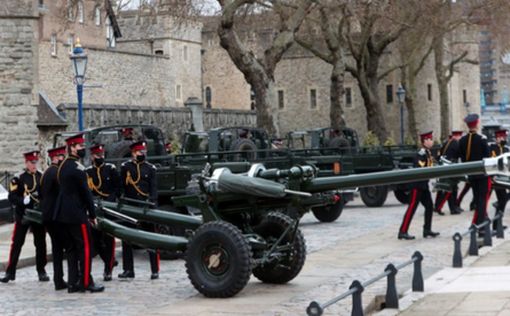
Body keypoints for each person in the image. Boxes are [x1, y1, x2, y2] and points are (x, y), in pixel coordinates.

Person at [54, 133, 104, 293]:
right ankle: (85, 282)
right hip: (76, 214)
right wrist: (92, 215)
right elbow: (86, 194)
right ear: (72, 148)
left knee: (72, 250)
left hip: (63, 214)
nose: (83, 149)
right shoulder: (78, 168)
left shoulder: (63, 166)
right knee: (85, 248)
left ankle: (72, 283)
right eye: (80, 147)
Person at [0, 151, 49, 283]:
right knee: (17, 243)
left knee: (40, 244)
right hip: (23, 215)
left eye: (35, 162)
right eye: (31, 163)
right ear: (26, 163)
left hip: (37, 216)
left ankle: (41, 270)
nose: (34, 165)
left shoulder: (41, 176)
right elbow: (12, 197)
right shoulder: (19, 178)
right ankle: (10, 272)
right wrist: (23, 201)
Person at [118, 141, 160, 280]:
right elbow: (122, 187)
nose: (143, 154)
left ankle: (155, 269)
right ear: (133, 153)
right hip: (131, 206)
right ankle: (128, 269)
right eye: (140, 152)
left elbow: (153, 189)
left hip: (145, 207)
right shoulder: (126, 167)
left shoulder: (150, 168)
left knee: (151, 239)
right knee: (127, 238)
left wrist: (152, 204)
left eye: (144, 152)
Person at [86, 144, 121, 281]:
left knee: (109, 239)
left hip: (108, 207)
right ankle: (109, 260)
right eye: (97, 155)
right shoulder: (88, 172)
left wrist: (110, 200)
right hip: (95, 209)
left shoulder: (110, 169)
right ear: (92, 157)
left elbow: (117, 188)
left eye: (102, 155)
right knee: (96, 240)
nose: (100, 157)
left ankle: (108, 268)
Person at [398, 131, 440, 240]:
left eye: (431, 139)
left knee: (429, 206)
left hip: (423, 185)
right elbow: (421, 168)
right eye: (430, 139)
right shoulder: (421, 153)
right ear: (425, 141)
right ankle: (402, 231)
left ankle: (427, 230)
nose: (432, 141)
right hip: (417, 185)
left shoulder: (427, 153)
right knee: (412, 207)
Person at [40, 146, 67, 290]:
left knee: (57, 248)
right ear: (56, 157)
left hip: (47, 216)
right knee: (65, 247)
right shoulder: (56, 172)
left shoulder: (46, 172)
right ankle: (61, 279)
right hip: (56, 216)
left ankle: (59, 280)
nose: (63, 158)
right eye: (61, 156)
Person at [458, 113, 491, 228]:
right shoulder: (482, 139)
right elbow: (487, 157)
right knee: (482, 200)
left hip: (471, 175)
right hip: (482, 174)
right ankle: (479, 225)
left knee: (478, 199)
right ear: (476, 124)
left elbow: (461, 157)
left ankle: (481, 222)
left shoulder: (462, 140)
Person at [434, 130, 464, 215]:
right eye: (460, 136)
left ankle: (441, 206)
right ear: (457, 136)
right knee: (450, 188)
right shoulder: (455, 143)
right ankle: (448, 208)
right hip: (450, 167)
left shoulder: (447, 142)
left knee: (444, 187)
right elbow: (460, 154)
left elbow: (439, 155)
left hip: (444, 166)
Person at [489, 129, 509, 230]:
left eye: (503, 138)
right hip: (494, 178)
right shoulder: (491, 148)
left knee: (503, 199)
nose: (502, 139)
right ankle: (495, 225)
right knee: (501, 199)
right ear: (496, 138)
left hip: (502, 179)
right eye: (500, 138)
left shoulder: (506, 149)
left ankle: (497, 224)